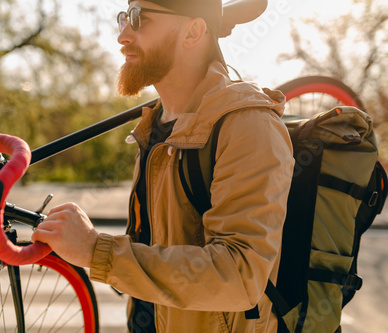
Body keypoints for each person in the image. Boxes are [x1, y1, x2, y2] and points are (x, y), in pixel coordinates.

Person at [32, 0, 294, 332]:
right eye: (125, 17)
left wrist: (97, 251)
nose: (123, 35)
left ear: (194, 31)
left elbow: (240, 276)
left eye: (140, 19)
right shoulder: (154, 127)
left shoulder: (247, 125)